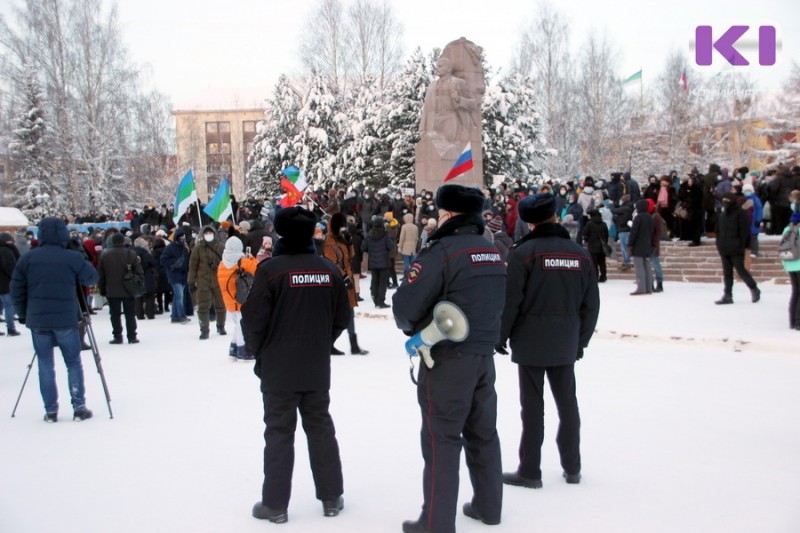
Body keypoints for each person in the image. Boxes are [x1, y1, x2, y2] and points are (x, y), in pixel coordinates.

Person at [392, 184, 506, 533]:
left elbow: (406, 309)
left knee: (441, 439)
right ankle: (489, 507)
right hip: (483, 358)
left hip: (446, 360)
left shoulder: (441, 252)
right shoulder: (491, 250)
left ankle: (435, 523)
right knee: (483, 432)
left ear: (447, 214)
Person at [242, 206, 350, 524]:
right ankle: (331, 496)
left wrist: (261, 350)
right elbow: (342, 316)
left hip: (278, 368)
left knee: (279, 432)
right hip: (315, 366)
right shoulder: (327, 269)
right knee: (320, 428)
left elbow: (253, 320)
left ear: (280, 234)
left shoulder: (270, 271)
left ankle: (275, 504)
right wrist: (322, 341)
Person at [498, 193, 600, 490]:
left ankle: (530, 470)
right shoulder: (578, 253)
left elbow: (511, 302)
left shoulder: (522, 254)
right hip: (566, 342)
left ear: (529, 221)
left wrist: (500, 336)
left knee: (532, 409)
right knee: (568, 405)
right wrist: (579, 341)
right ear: (555, 216)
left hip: (530, 342)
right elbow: (591, 304)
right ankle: (573, 467)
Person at [10, 217, 99, 422]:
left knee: (45, 365)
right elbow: (91, 278)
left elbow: (17, 290)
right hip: (66, 318)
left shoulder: (28, 258)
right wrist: (78, 254)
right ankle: (79, 406)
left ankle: (51, 410)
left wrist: (23, 314)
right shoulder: (71, 257)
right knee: (73, 363)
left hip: (38, 320)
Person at [323, 213, 369, 355]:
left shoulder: (341, 240)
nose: (343, 228)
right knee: (341, 314)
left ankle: (352, 344)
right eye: (341, 226)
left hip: (346, 280)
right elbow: (332, 263)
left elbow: (351, 256)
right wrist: (343, 278)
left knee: (349, 313)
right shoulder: (329, 242)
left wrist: (349, 242)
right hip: (337, 283)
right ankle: (329, 343)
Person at [714, 193, 760, 304]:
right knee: (727, 274)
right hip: (724, 248)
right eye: (723, 199)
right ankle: (727, 295)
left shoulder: (740, 213)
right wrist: (719, 244)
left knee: (741, 270)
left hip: (736, 248)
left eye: (727, 200)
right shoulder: (722, 215)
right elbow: (718, 231)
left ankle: (754, 288)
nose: (725, 202)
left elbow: (745, 232)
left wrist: (741, 245)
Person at [217, 237, 258, 361]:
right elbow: (257, 269)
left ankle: (233, 349)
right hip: (241, 300)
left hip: (229, 301)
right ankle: (243, 350)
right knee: (242, 325)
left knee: (237, 325)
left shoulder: (222, 263)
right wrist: (251, 258)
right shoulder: (242, 261)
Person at [97, 233, 142, 344]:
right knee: (130, 313)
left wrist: (102, 289)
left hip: (112, 289)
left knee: (115, 314)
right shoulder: (131, 254)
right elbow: (139, 271)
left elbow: (101, 275)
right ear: (123, 241)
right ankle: (132, 336)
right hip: (129, 288)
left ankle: (117, 336)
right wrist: (139, 284)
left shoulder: (105, 255)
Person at [188, 226, 226, 340]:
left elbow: (226, 262)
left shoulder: (220, 246)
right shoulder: (198, 248)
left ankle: (221, 326)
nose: (208, 234)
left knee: (221, 305)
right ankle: (204, 329)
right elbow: (193, 266)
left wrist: (218, 263)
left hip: (218, 279)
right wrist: (191, 281)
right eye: (206, 233)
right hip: (203, 280)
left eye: (210, 232)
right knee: (203, 306)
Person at [361, 216, 394, 309]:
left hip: (373, 262)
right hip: (384, 262)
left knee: (374, 281)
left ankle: (376, 300)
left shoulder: (369, 235)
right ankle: (381, 301)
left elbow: (363, 247)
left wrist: (370, 251)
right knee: (383, 283)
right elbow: (390, 246)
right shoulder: (385, 235)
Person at [160, 229, 191, 324]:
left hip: (183, 274)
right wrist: (173, 264)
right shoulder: (170, 248)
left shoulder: (185, 248)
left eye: (183, 237)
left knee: (177, 296)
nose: (182, 239)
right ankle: (181, 315)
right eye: (180, 237)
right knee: (179, 296)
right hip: (174, 274)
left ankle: (174, 316)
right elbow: (163, 260)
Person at [780, 211, 800, 330]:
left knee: (795, 293)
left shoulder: (787, 229)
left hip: (790, 263)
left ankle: (792, 321)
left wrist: (786, 265)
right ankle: (799, 322)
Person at [0, 232, 21, 336]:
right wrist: (16, 278)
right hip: (5, 283)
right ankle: (11, 328)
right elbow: (10, 267)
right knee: (9, 306)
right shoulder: (7, 251)